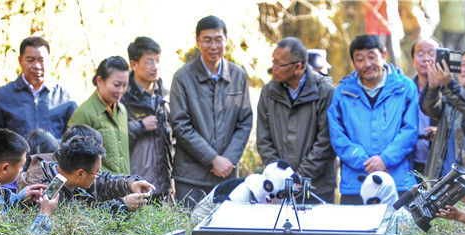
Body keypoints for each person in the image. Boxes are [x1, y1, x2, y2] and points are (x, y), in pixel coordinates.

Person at [169, 15, 253, 207]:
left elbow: (245, 121)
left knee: (226, 233)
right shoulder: (183, 77)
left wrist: (228, 160)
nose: (213, 46)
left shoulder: (238, 75)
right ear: (198, 41)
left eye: (218, 39)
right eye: (207, 40)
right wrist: (212, 159)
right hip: (191, 177)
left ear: (226, 40)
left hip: (227, 175)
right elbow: (180, 124)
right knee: (190, 232)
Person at [327, 34, 418, 203]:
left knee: (397, 228)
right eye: (360, 59)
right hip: (356, 182)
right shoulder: (342, 92)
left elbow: (410, 130)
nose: (367, 64)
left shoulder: (404, 87)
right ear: (354, 63)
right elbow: (337, 136)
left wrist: (385, 159)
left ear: (383, 55)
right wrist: (365, 162)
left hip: (396, 180)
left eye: (372, 57)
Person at [256, 37, 337, 203]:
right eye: (273, 62)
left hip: (317, 186)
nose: (274, 68)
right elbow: (263, 139)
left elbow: (326, 142)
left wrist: (299, 177)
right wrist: (279, 174)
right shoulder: (268, 92)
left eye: (279, 64)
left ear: (298, 67)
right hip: (278, 186)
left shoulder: (325, 91)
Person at [17, 128, 152, 214]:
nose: (98, 175)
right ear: (80, 173)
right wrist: (122, 205)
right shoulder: (49, 190)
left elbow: (103, 182)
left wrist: (130, 184)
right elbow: (79, 224)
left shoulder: (63, 173)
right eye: (97, 172)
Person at [0, 36, 77, 142]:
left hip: (54, 157)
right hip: (16, 158)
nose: (37, 66)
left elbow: (74, 137)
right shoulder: (2, 96)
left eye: (42, 60)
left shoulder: (65, 97)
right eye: (30, 60)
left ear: (49, 61)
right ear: (20, 60)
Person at [419, 46, 465, 180]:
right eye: (463, 64)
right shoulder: (450, 94)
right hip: (439, 177)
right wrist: (433, 86)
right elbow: (428, 109)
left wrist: (449, 83)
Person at [121, 37, 174, 202]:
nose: (155, 67)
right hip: (135, 184)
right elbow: (114, 139)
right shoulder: (122, 96)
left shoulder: (165, 95)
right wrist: (140, 126)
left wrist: (172, 180)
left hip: (163, 184)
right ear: (134, 64)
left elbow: (173, 140)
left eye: (158, 61)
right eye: (149, 62)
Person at [68, 56, 131, 176]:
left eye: (125, 85)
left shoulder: (122, 110)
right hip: (99, 189)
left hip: (123, 186)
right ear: (100, 81)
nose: (121, 90)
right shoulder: (84, 113)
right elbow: (74, 160)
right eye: (116, 85)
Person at [409, 38, 440, 178]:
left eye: (431, 54)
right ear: (413, 60)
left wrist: (442, 131)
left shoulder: (449, 90)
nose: (426, 59)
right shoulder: (405, 90)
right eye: (420, 54)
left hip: (440, 163)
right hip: (410, 161)